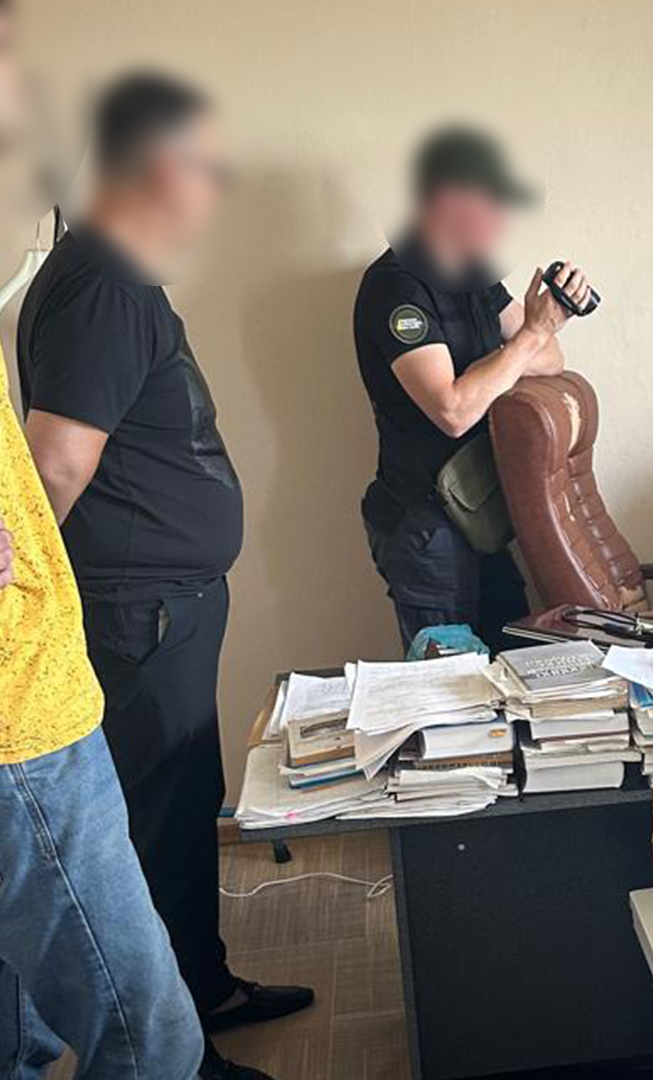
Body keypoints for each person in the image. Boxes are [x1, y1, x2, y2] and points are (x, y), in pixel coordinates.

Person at [18, 73, 310, 1080]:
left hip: (162, 607)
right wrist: (37, 606)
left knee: (186, 806)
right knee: (152, 823)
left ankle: (203, 988)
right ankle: (179, 1052)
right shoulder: (102, 280)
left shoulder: (109, 275)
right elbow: (56, 463)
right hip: (135, 613)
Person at [354, 125, 594, 651]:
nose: (502, 221)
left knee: (516, 664)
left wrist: (532, 335)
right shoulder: (395, 285)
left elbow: (551, 359)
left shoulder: (474, 275)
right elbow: (453, 409)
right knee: (448, 691)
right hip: (426, 530)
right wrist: (526, 338)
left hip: (482, 516)